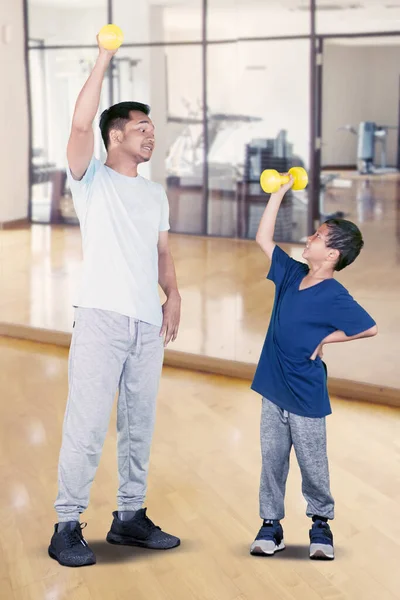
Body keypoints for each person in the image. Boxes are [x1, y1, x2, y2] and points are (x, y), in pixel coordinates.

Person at [48, 36, 181, 568]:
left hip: (147, 324)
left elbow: (162, 251)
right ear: (116, 135)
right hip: (101, 317)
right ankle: (66, 523)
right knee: (85, 424)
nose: (151, 137)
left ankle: (129, 517)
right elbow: (80, 126)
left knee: (139, 424)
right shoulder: (92, 179)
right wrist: (103, 57)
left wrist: (173, 295)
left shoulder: (154, 194)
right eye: (142, 129)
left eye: (153, 130)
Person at [250, 176, 377, 560]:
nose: (310, 238)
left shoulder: (335, 295)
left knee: (312, 463)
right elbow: (263, 239)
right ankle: (270, 525)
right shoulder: (290, 274)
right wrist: (278, 196)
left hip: (306, 396)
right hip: (273, 388)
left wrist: (325, 340)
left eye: (318, 237)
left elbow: (368, 327)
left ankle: (320, 523)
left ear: (333, 255)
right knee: (272, 460)